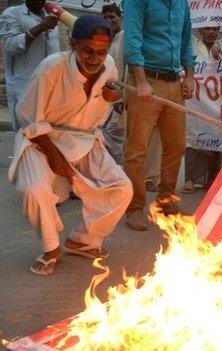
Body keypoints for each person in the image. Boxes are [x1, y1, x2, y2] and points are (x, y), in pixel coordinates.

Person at [9, 15, 132, 276]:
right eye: (88, 50)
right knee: (34, 188)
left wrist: (112, 96)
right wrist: (54, 157)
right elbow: (27, 116)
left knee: (122, 189)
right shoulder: (51, 68)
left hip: (84, 138)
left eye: (101, 52)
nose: (94, 58)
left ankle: (83, 241)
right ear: (73, 44)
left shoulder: (109, 66)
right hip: (42, 138)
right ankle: (51, 248)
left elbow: (104, 100)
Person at [123, 0, 196, 231]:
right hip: (146, 81)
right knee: (137, 149)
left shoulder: (181, 3)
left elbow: (186, 41)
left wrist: (190, 76)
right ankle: (134, 207)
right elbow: (132, 40)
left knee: (176, 147)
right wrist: (141, 81)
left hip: (174, 82)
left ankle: (166, 202)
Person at [0, 0, 59, 131]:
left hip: (50, 85)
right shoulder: (12, 14)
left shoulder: (50, 13)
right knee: (26, 133)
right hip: (24, 85)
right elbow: (10, 45)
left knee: (48, 133)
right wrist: (40, 28)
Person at [182, 26, 222, 194]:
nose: (211, 33)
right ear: (200, 32)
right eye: (208, 29)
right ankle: (189, 179)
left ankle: (210, 179)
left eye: (214, 30)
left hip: (216, 101)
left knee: (215, 139)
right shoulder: (192, 46)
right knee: (192, 138)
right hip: (195, 100)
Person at [101, 3, 126, 165]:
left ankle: (116, 176)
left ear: (120, 18)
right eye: (105, 18)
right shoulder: (103, 40)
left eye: (112, 17)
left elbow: (127, 70)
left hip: (119, 99)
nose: (109, 20)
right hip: (102, 99)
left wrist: (120, 98)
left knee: (113, 139)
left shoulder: (125, 38)